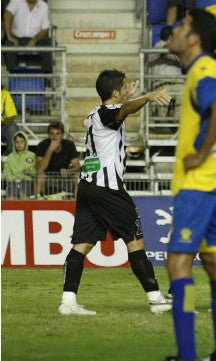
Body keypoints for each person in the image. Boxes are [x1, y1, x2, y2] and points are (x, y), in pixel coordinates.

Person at [57, 69, 172, 316]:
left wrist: (126, 98)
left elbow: (120, 110)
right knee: (135, 241)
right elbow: (122, 111)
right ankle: (156, 299)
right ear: (114, 92)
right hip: (107, 188)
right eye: (122, 86)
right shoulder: (107, 113)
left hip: (88, 188)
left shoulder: (94, 113)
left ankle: (68, 302)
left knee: (81, 245)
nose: (126, 88)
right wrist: (148, 96)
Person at [164, 9, 216, 361]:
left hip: (198, 184)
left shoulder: (202, 73)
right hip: (215, 182)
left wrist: (201, 153)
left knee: (178, 265)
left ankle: (187, 355)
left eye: (181, 26)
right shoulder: (213, 70)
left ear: (194, 38)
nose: (174, 31)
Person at [2, 0, 52, 72]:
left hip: (36, 39)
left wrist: (34, 40)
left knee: (49, 43)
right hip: (17, 39)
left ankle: (46, 76)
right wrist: (9, 36)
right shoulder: (17, 1)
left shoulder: (43, 5)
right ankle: (13, 74)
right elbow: (7, 15)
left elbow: (45, 29)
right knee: (8, 45)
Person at [35, 121, 81, 197]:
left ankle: (75, 203)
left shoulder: (69, 145)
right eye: (52, 133)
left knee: (77, 176)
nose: (54, 137)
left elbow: (77, 166)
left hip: (65, 178)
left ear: (62, 134)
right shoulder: (42, 145)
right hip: (48, 179)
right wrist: (50, 150)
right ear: (48, 134)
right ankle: (37, 203)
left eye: (58, 133)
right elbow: (40, 169)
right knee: (40, 176)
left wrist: (68, 171)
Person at [149, 25, 183, 118]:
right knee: (163, 94)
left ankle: (177, 121)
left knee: (184, 92)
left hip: (177, 81)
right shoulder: (158, 46)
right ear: (171, 37)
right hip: (162, 81)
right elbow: (163, 49)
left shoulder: (177, 49)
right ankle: (160, 121)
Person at [3, 131, 36, 199]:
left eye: (22, 141)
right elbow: (6, 171)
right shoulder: (10, 157)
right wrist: (12, 179)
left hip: (26, 181)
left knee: (23, 196)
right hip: (12, 182)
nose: (19, 144)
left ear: (26, 142)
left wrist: (30, 171)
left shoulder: (32, 155)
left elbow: (36, 170)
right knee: (11, 197)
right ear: (14, 143)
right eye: (17, 142)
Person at [2, 88, 19, 154]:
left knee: (12, 128)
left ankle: (13, 159)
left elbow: (10, 118)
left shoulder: (4, 94)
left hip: (2, 127)